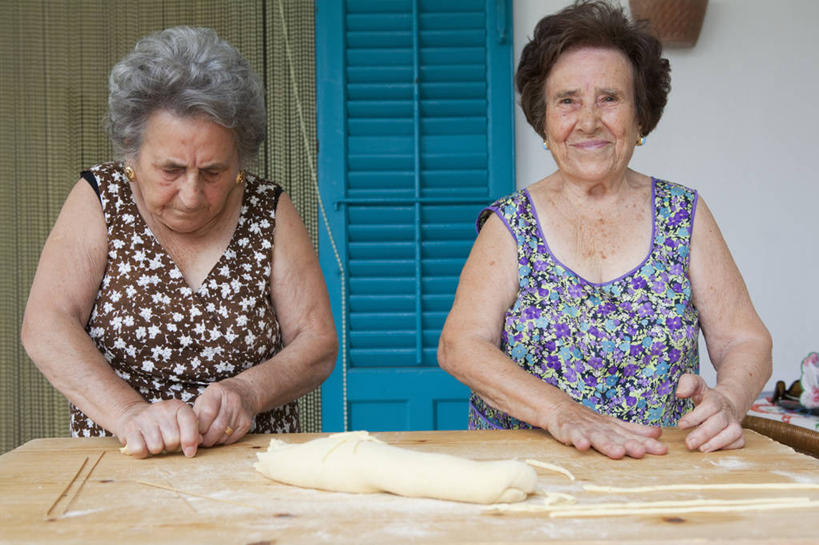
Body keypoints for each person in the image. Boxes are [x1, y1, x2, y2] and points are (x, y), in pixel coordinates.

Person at [438, 1, 771, 459]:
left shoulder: (684, 214)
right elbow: (461, 345)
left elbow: (744, 339)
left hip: (659, 471)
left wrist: (730, 399)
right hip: (527, 475)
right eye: (567, 100)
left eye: (610, 99)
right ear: (545, 119)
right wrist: (562, 411)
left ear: (640, 118)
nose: (588, 120)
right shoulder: (511, 224)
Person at [21, 27, 337, 458]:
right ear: (131, 148)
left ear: (240, 157)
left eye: (213, 172)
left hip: (252, 463)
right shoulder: (102, 197)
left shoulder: (268, 207)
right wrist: (130, 413)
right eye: (170, 170)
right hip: (120, 459)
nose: (191, 196)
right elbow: (47, 325)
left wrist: (249, 390)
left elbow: (316, 342)